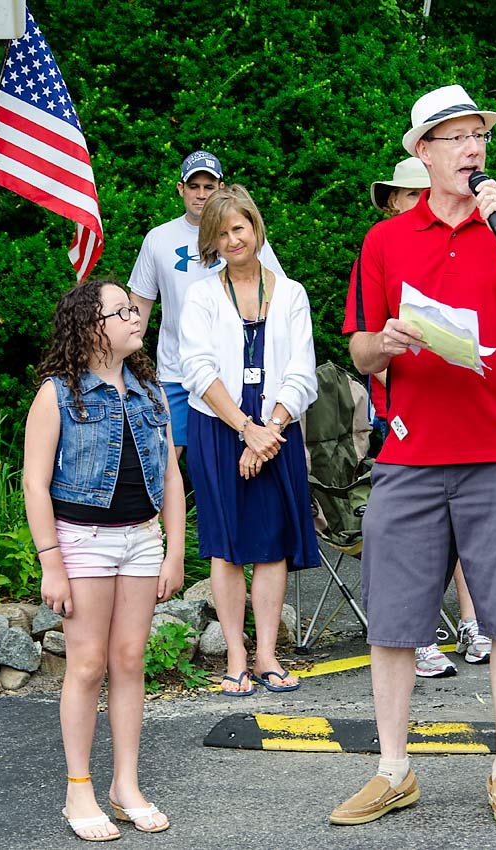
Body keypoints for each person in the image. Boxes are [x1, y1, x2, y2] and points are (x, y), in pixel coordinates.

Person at [331, 84, 496, 827]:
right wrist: (388, 341)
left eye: (479, 138)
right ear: (423, 154)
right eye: (456, 138)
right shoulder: (386, 241)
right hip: (409, 456)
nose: (473, 150)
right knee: (394, 621)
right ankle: (393, 768)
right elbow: (360, 349)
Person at [23, 279, 185, 841]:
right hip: (81, 541)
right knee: (87, 665)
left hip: (141, 540)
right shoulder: (57, 394)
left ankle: (126, 785)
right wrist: (51, 562)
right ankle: (78, 789)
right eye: (121, 311)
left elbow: (169, 476)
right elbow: (35, 483)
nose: (136, 316)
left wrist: (174, 549)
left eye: (133, 308)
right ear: (92, 328)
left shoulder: (150, 391)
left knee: (130, 661)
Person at [179, 185, 320, 696]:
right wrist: (246, 429)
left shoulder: (292, 293)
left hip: (276, 431)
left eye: (239, 227)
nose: (232, 238)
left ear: (255, 229)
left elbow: (302, 372)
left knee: (270, 545)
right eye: (221, 232)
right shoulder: (200, 296)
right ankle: (235, 653)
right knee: (226, 545)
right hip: (219, 429)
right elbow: (197, 368)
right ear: (210, 242)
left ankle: (266, 653)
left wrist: (270, 431)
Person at [369, 157, 491, 676]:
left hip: (468, 407)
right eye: (404, 194)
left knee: (466, 531)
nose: (411, 201)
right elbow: (367, 346)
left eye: (418, 193)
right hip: (401, 412)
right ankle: (416, 634)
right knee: (415, 537)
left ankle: (470, 620)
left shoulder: (474, 236)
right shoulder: (385, 243)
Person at [129, 150, 285, 456]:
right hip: (175, 374)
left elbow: (276, 298)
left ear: (221, 188)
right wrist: (129, 367)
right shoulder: (158, 239)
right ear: (180, 189)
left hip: (234, 373)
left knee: (231, 460)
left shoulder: (244, 237)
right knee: (166, 463)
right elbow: (138, 309)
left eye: (209, 186)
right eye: (194, 186)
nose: (201, 194)